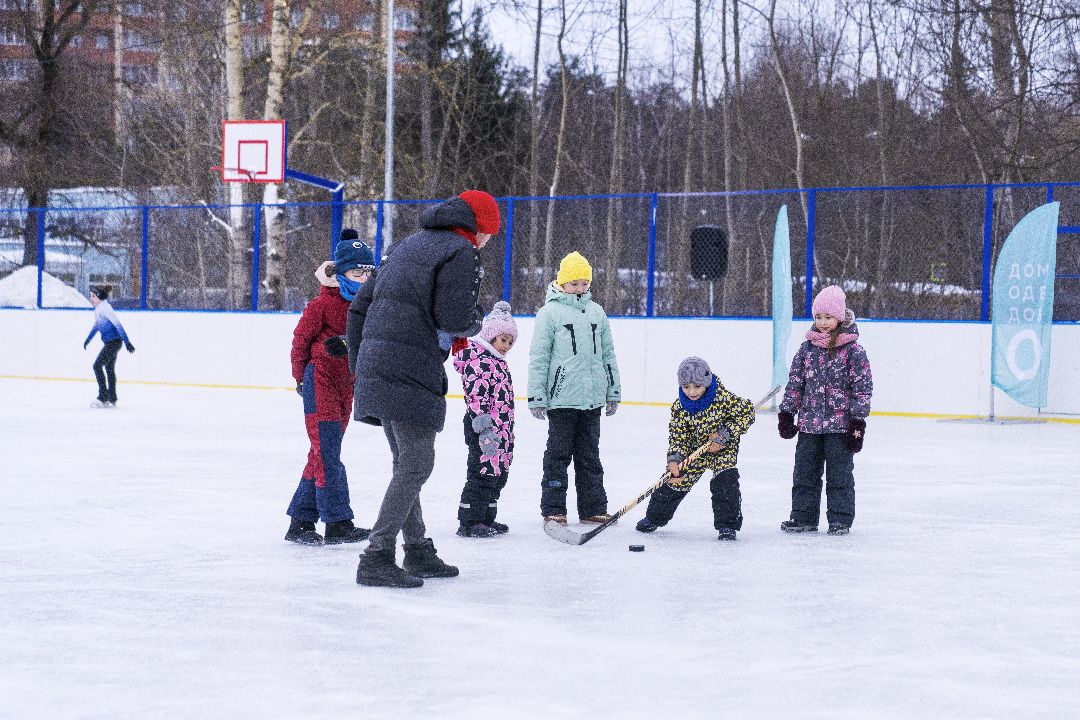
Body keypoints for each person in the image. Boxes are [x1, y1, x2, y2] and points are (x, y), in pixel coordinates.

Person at [349, 189, 499, 588]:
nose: (488, 240)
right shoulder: (461, 252)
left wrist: (359, 368)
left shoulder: (404, 246)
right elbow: (453, 317)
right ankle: (376, 556)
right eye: (488, 232)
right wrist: (477, 320)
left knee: (406, 464)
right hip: (411, 365)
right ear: (477, 227)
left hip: (377, 363)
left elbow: (359, 308)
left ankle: (416, 550)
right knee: (416, 464)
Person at [284, 230, 375, 546]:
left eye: (368, 272)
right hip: (319, 381)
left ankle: (300, 522)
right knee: (327, 452)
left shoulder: (369, 305)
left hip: (346, 386)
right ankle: (338, 522)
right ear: (342, 273)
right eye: (357, 272)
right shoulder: (322, 304)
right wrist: (300, 377)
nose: (363, 278)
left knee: (322, 452)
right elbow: (300, 341)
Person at [528, 251, 622, 525]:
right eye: (574, 283)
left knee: (589, 456)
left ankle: (593, 508)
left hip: (592, 400)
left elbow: (608, 355)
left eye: (585, 283)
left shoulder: (596, 312)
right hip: (562, 400)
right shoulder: (549, 314)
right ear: (562, 283)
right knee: (557, 456)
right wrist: (537, 396)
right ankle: (554, 508)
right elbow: (539, 358)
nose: (580, 288)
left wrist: (613, 391)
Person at [778, 285, 873, 536]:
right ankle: (803, 517)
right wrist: (787, 413)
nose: (822, 322)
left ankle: (840, 519)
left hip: (840, 426)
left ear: (840, 317)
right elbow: (795, 383)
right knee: (804, 473)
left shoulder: (854, 351)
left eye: (828, 317)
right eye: (818, 317)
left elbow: (862, 388)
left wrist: (858, 422)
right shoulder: (806, 349)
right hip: (809, 425)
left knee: (840, 475)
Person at [635, 357, 756, 540]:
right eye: (686, 387)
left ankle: (727, 525)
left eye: (697, 386)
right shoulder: (680, 407)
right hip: (694, 450)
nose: (691, 392)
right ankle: (654, 517)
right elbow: (678, 436)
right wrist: (675, 459)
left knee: (725, 481)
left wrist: (726, 434)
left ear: (706, 383)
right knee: (675, 479)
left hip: (722, 448)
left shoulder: (723, 398)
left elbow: (747, 413)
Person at [452, 301, 518, 538]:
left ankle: (487, 517)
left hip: (501, 428)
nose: (506, 346)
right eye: (503, 340)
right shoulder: (479, 361)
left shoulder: (498, 362)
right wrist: (484, 429)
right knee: (481, 472)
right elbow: (476, 397)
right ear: (490, 336)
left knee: (496, 473)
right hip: (482, 427)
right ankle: (470, 521)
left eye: (510, 342)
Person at [83, 285, 134, 408]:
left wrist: (127, 342)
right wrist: (88, 339)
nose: (91, 298)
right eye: (91, 296)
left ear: (99, 297)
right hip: (110, 343)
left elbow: (118, 325)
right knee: (109, 369)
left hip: (114, 343)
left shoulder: (106, 309)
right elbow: (97, 326)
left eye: (93, 296)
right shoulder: (99, 309)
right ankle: (112, 397)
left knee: (97, 366)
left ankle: (103, 397)